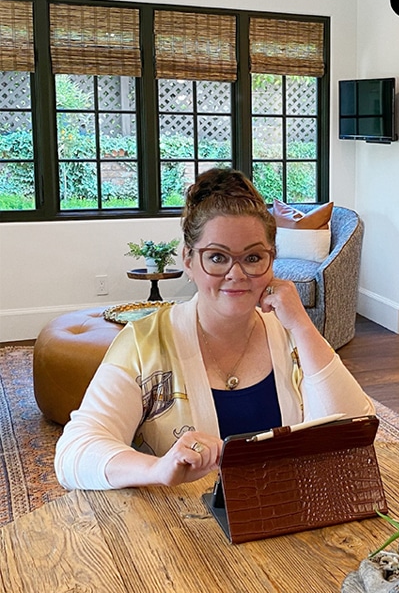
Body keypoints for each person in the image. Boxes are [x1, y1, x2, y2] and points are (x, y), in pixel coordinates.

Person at [55, 169, 373, 491]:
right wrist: (157, 468)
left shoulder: (291, 335)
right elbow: (74, 453)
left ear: (272, 261)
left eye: (253, 257)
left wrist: (302, 325)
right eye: (217, 257)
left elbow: (354, 430)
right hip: (183, 534)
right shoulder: (143, 344)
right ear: (188, 261)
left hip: (283, 523)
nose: (236, 273)